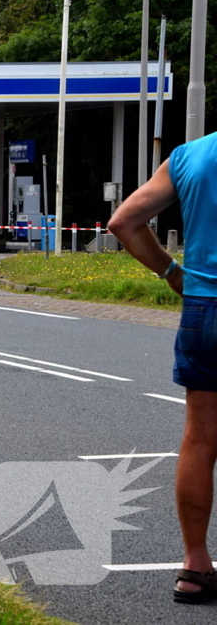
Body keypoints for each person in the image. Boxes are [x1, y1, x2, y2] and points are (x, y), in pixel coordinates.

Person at [108, 134, 217, 604]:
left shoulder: (191, 155)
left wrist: (172, 271)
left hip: (203, 308)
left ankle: (194, 567)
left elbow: (123, 221)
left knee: (200, 437)